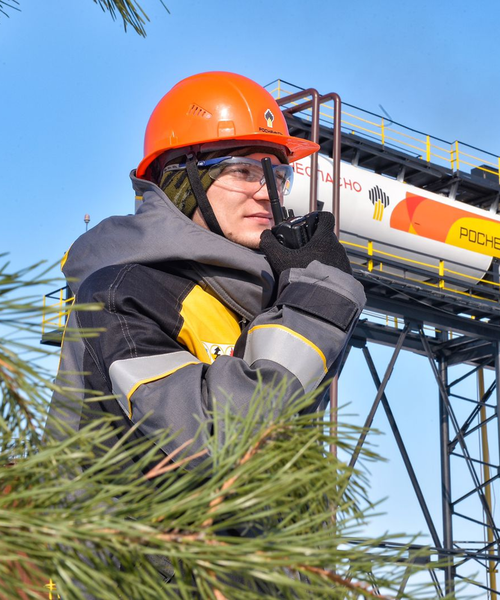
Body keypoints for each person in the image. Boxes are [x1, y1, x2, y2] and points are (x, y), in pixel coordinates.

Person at [50, 70, 365, 475]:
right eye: (244, 171)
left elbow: (285, 454)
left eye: (277, 177)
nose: (266, 193)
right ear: (183, 181)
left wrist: (306, 299)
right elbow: (215, 440)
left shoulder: (261, 302)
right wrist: (317, 305)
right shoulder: (120, 295)